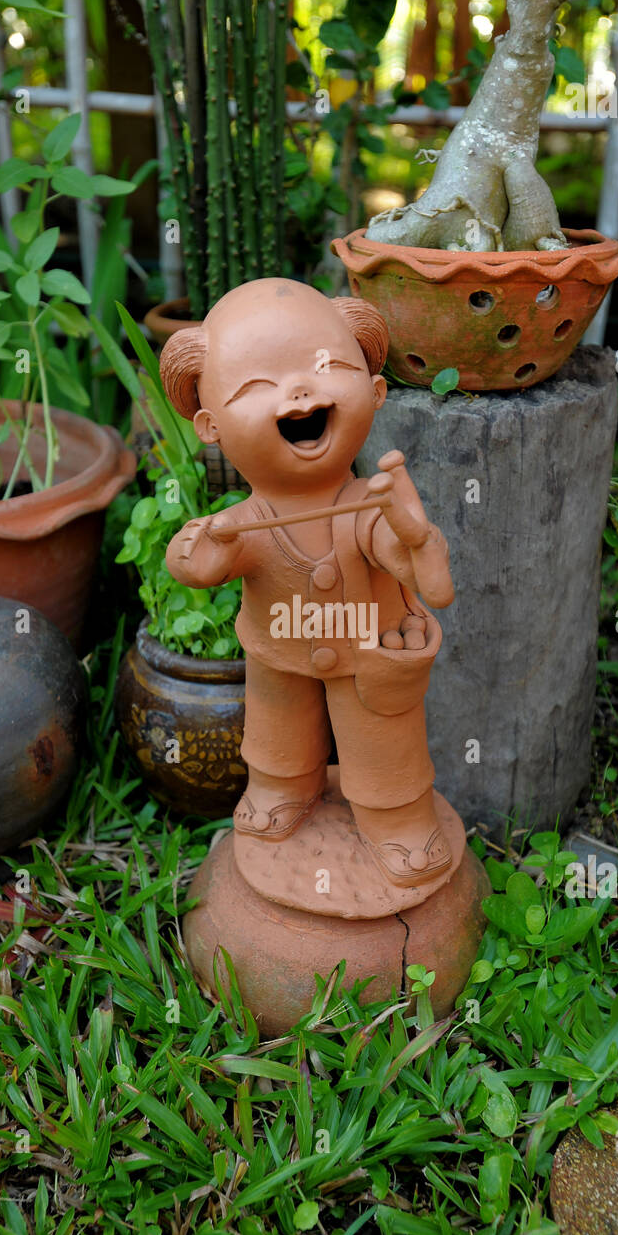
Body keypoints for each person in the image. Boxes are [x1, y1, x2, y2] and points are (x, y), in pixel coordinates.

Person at [160, 278, 455, 888]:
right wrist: (194, 551)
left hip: (371, 658)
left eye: (326, 366)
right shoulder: (244, 520)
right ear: (210, 426)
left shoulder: (366, 506)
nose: (298, 390)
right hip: (278, 653)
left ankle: (397, 817)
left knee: (383, 744)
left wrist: (416, 538)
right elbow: (203, 569)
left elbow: (411, 566)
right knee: (276, 731)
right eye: (257, 386)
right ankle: (280, 788)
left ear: (375, 393)